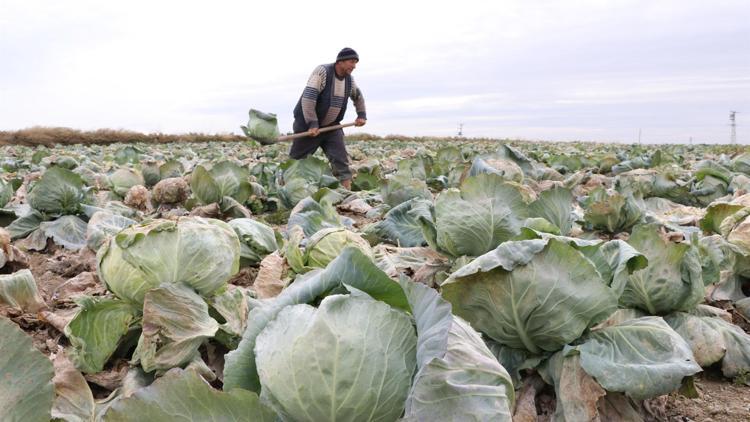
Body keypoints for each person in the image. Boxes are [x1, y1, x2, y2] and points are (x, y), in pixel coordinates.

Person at [289, 47, 367, 190]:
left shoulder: (349, 80)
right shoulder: (322, 72)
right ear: (340, 61)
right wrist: (312, 123)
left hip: (332, 127)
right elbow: (308, 98)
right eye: (352, 61)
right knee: (297, 161)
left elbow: (358, 97)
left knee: (340, 159)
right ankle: (287, 186)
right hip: (307, 124)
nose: (354, 66)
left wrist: (361, 115)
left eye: (356, 62)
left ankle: (346, 193)